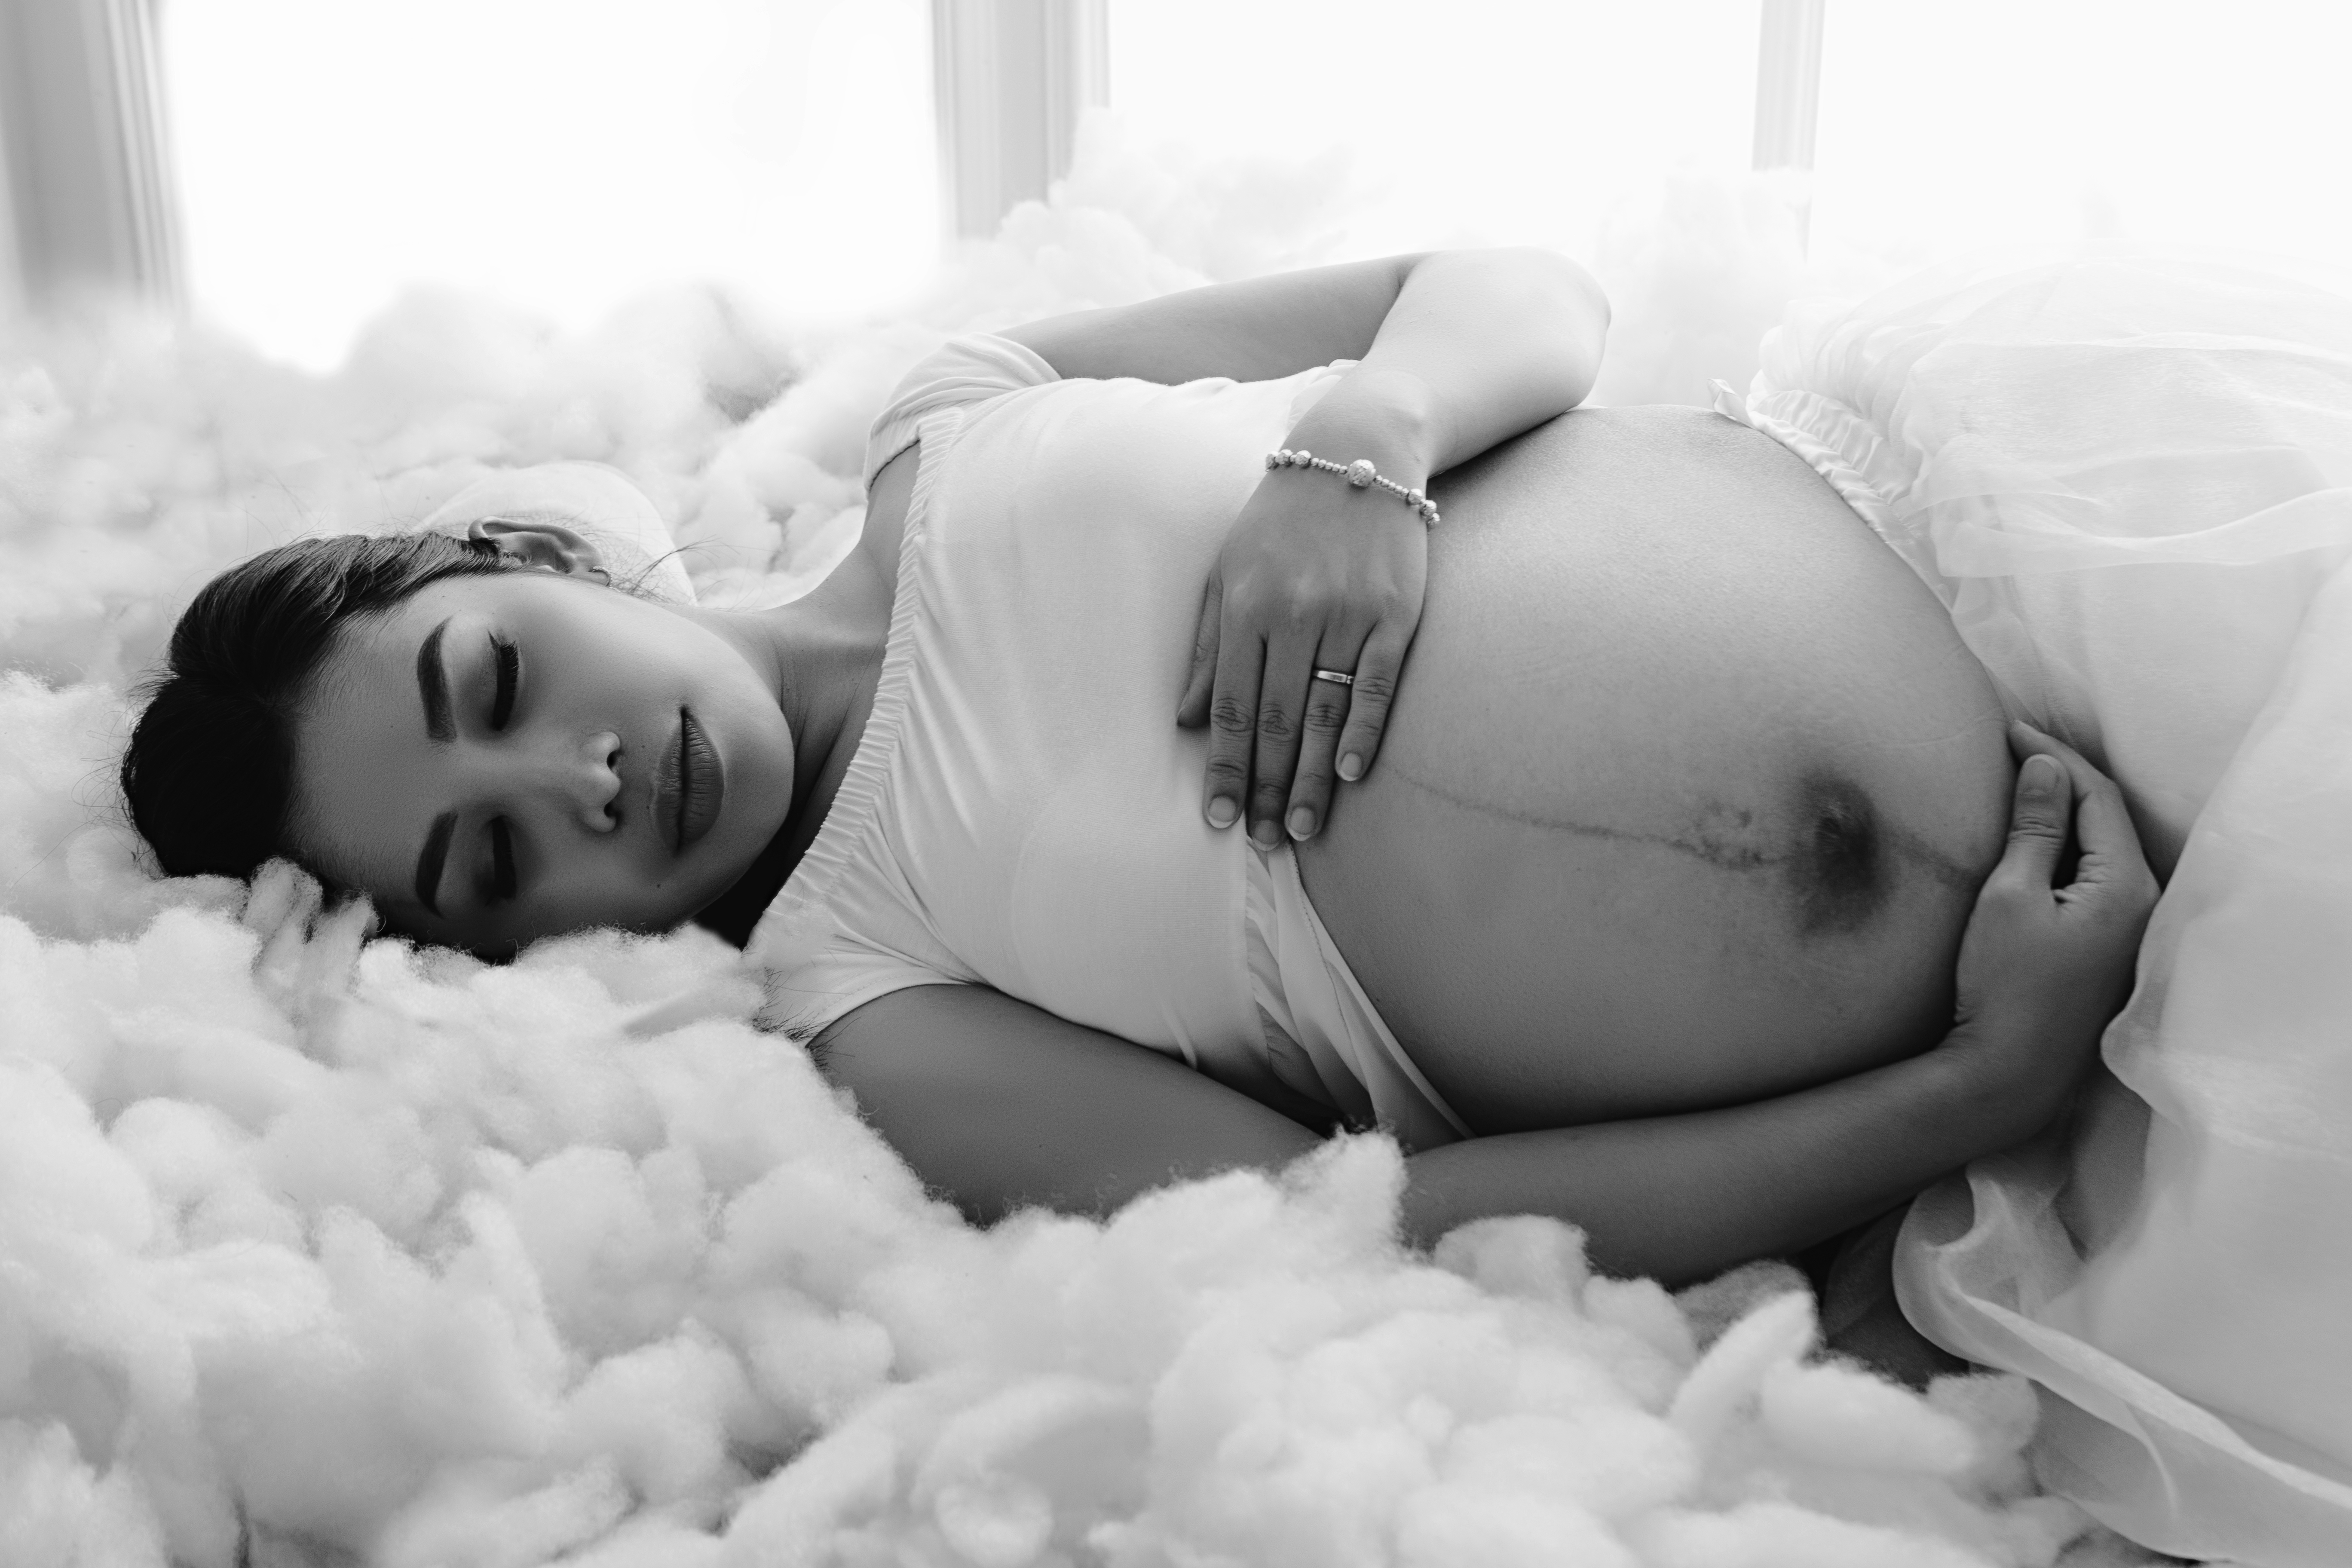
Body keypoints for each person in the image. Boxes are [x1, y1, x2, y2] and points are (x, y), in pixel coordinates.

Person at [121, 249, 2158, 1300]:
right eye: (489, 864)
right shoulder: (875, 1009)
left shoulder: (961, 421)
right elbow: (1394, 1223)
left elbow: (1512, 281)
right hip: (2043, 1026)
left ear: (522, 560)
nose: (576, 775)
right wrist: (1978, 1090)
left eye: (495, 674)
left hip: (2049, 601)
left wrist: (1368, 443)